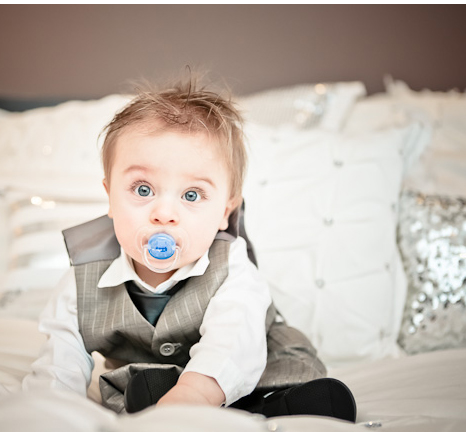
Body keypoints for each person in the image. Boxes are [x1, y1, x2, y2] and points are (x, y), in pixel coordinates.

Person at [23, 74, 356, 421]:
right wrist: (46, 412)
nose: (164, 214)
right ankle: (187, 402)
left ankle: (279, 404)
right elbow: (60, 360)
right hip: (153, 382)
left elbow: (234, 340)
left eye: (192, 195)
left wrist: (194, 394)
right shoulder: (83, 276)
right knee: (135, 386)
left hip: (254, 365)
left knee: (280, 373)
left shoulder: (231, 268)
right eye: (142, 189)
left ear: (225, 212)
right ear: (109, 196)